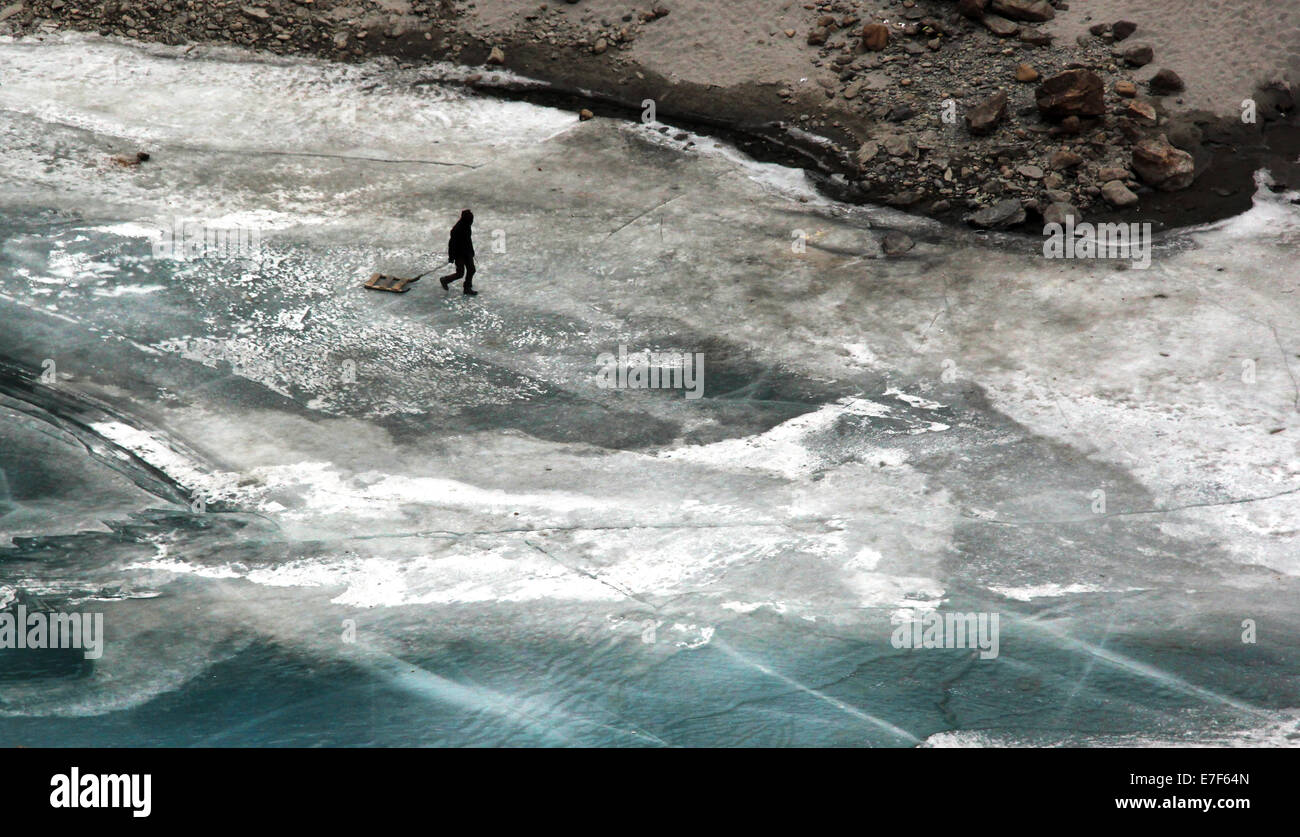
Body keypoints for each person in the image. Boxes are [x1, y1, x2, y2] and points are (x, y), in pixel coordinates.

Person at [439, 209, 477, 296]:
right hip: (459, 255)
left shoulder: (467, 225)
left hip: (467, 253)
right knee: (460, 273)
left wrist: (471, 251)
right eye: (471, 220)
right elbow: (451, 244)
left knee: (471, 269)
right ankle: (445, 280)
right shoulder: (456, 230)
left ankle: (467, 288)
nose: (472, 222)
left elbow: (468, 240)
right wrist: (451, 257)